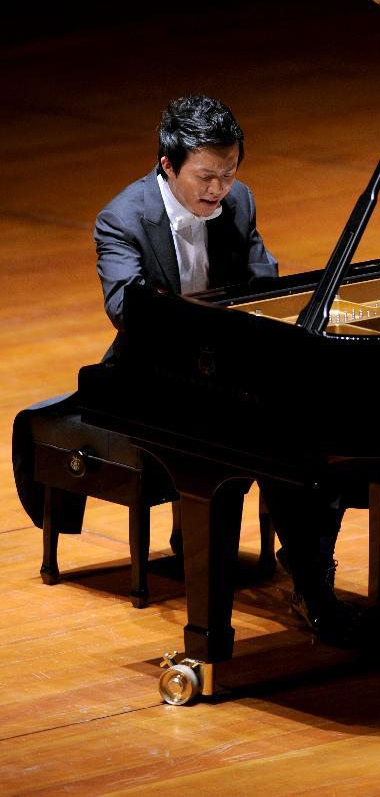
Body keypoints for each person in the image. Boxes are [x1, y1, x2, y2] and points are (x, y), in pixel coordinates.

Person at [94, 94, 357, 644]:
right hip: (155, 371)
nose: (219, 189)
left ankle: (311, 572)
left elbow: (263, 279)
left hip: (231, 361)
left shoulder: (239, 203)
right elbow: (126, 309)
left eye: (229, 173)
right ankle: (245, 570)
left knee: (310, 439)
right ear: (169, 166)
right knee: (252, 438)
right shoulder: (123, 217)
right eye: (206, 176)